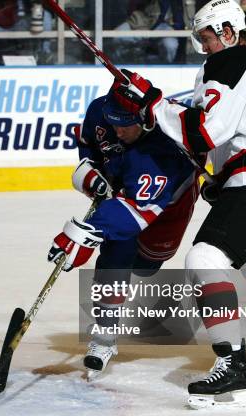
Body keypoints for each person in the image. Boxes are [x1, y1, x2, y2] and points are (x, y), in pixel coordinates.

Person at [109, 0, 246, 408]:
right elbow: (235, 131)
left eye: (206, 38)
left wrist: (152, 102)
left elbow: (206, 131)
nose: (203, 47)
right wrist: (221, 179)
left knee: (204, 261)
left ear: (228, 32)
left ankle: (233, 367)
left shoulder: (228, 61)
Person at [47, 91, 199, 380]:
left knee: (146, 266)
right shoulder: (100, 112)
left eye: (126, 124)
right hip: (126, 197)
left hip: (169, 206)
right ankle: (104, 336)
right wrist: (91, 172)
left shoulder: (163, 148)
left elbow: (136, 212)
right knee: (115, 257)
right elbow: (89, 145)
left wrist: (87, 233)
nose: (118, 130)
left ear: (145, 119)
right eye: (114, 122)